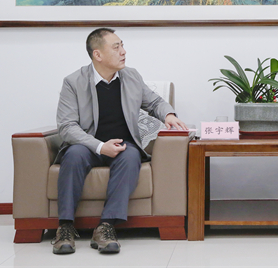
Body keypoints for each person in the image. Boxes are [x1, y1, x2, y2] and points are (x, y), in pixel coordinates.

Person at [51, 28, 187, 255]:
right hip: (87, 145)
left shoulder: (131, 76)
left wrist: (168, 115)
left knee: (131, 155)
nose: (123, 52)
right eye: (116, 47)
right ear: (97, 54)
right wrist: (99, 146)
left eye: (122, 45)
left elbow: (155, 102)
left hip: (123, 145)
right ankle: (65, 227)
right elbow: (67, 126)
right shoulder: (73, 82)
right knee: (73, 155)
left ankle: (106, 227)